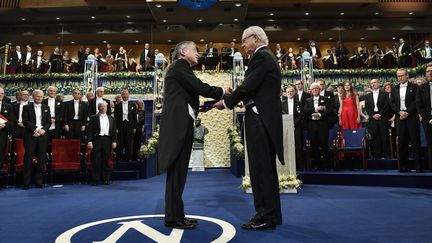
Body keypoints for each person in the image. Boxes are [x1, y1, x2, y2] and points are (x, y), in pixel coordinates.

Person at [214, 26, 284, 230]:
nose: (242, 45)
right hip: (265, 120)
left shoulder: (261, 57)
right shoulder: (267, 57)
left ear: (255, 38)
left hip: (259, 120)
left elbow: (247, 87)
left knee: (260, 170)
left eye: (244, 40)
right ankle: (272, 215)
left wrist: (226, 102)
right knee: (267, 171)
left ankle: (264, 216)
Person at [158, 40, 228, 229]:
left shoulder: (180, 69)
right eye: (195, 50)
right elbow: (199, 87)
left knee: (179, 174)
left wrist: (202, 107)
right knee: (176, 174)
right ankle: (173, 218)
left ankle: (176, 215)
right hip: (177, 127)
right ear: (182, 52)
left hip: (182, 124)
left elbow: (188, 95)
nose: (198, 54)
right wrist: (222, 92)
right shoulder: (179, 66)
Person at [390, 68, 421, 172]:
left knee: (415, 141)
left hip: (411, 117)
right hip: (400, 118)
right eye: (398, 76)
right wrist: (400, 112)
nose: (400, 78)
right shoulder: (394, 88)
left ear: (407, 75)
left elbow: (416, 102)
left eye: (402, 75)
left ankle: (418, 167)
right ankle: (403, 166)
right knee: (402, 143)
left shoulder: (415, 87)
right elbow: (392, 103)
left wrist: (407, 112)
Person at [22, 90, 51, 189]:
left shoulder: (46, 108)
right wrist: (35, 129)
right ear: (33, 97)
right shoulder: (26, 107)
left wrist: (43, 130)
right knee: (28, 158)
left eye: (41, 97)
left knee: (41, 159)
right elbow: (25, 121)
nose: (39, 98)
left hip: (43, 136)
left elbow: (49, 122)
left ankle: (39, 182)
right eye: (38, 96)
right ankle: (26, 183)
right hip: (31, 135)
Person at [87, 101, 117, 185]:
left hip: (107, 140)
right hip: (96, 140)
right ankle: (95, 179)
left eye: (105, 107)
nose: (103, 108)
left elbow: (114, 131)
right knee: (95, 160)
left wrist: (114, 141)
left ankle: (105, 178)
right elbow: (89, 131)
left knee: (106, 160)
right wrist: (89, 141)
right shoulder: (93, 118)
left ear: (107, 108)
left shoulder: (111, 118)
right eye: (101, 107)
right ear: (98, 108)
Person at [304, 82, 330, 170]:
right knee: (314, 146)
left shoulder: (325, 99)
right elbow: (305, 111)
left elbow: (329, 111)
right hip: (312, 125)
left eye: (316, 88)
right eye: (313, 89)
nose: (315, 90)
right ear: (311, 91)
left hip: (322, 125)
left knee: (324, 144)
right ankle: (316, 165)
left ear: (320, 89)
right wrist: (314, 111)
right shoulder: (308, 100)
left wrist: (319, 115)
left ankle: (326, 165)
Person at [364, 79, 389, 159]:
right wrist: (373, 115)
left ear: (379, 83)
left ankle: (385, 154)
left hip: (383, 117)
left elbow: (387, 105)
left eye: (375, 82)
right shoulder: (368, 96)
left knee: (384, 136)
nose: (373, 84)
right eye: (372, 83)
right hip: (372, 118)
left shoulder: (385, 94)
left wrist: (380, 114)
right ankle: (376, 155)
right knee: (375, 136)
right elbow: (367, 107)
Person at [281, 86, 304, 169]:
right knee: (286, 146)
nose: (290, 93)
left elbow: (300, 115)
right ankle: (287, 165)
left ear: (294, 93)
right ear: (285, 93)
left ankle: (300, 166)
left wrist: (293, 124)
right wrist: (288, 124)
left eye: (291, 91)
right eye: (288, 92)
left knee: (298, 146)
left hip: (296, 127)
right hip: (286, 127)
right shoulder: (282, 103)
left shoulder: (299, 103)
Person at [416, 63, 432, 170]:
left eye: (431, 71)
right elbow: (419, 105)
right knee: (430, 145)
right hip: (427, 120)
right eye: (428, 71)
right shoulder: (421, 88)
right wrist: (428, 118)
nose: (430, 73)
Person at [114, 90, 137, 161]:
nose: (125, 96)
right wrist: (116, 128)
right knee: (120, 142)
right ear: (122, 96)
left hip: (129, 125)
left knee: (128, 142)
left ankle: (128, 158)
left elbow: (134, 117)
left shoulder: (133, 105)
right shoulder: (117, 105)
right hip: (120, 125)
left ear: (129, 96)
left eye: (127, 94)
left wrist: (134, 127)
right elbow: (115, 118)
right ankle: (119, 158)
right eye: (124, 94)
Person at [0, 87, 14, 187]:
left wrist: (5, 125)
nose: (0, 95)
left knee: (0, 157)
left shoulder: (8, 106)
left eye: (2, 93)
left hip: (2, 134)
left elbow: (12, 121)